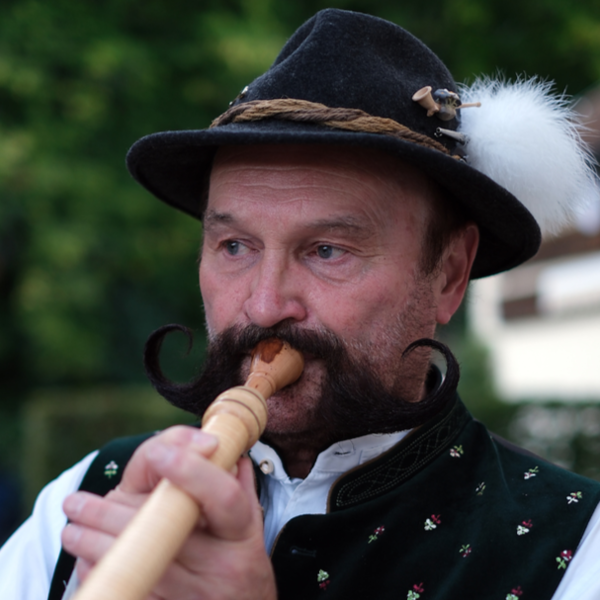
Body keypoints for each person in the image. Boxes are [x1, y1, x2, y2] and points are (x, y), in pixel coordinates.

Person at [1, 8, 600, 600]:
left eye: (327, 251)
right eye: (235, 246)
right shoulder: (85, 500)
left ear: (449, 274)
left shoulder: (575, 548)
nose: (264, 307)